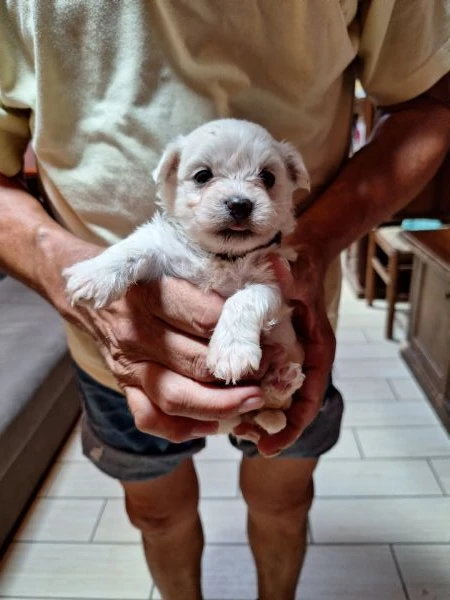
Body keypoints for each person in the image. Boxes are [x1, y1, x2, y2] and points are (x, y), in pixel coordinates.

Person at [0, 2, 449, 599]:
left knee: (284, 496)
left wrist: (308, 249)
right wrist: (62, 271)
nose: (238, 199)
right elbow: (134, 249)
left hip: (290, 344)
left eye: (265, 180)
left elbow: (429, 103)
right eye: (206, 178)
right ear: (172, 179)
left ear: (289, 182)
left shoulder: (271, 256)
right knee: (156, 511)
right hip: (105, 350)